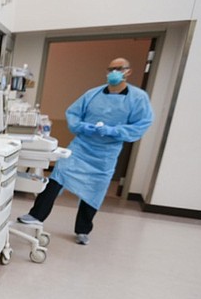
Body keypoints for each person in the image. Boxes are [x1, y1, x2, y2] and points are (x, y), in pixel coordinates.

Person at [18, 57, 154, 244]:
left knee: (95, 190)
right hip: (82, 146)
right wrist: (82, 126)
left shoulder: (138, 98)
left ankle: (83, 230)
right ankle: (36, 215)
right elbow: (73, 113)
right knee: (58, 176)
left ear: (128, 71)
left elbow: (142, 124)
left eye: (119, 69)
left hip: (106, 153)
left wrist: (115, 131)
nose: (114, 72)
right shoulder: (93, 94)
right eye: (111, 68)